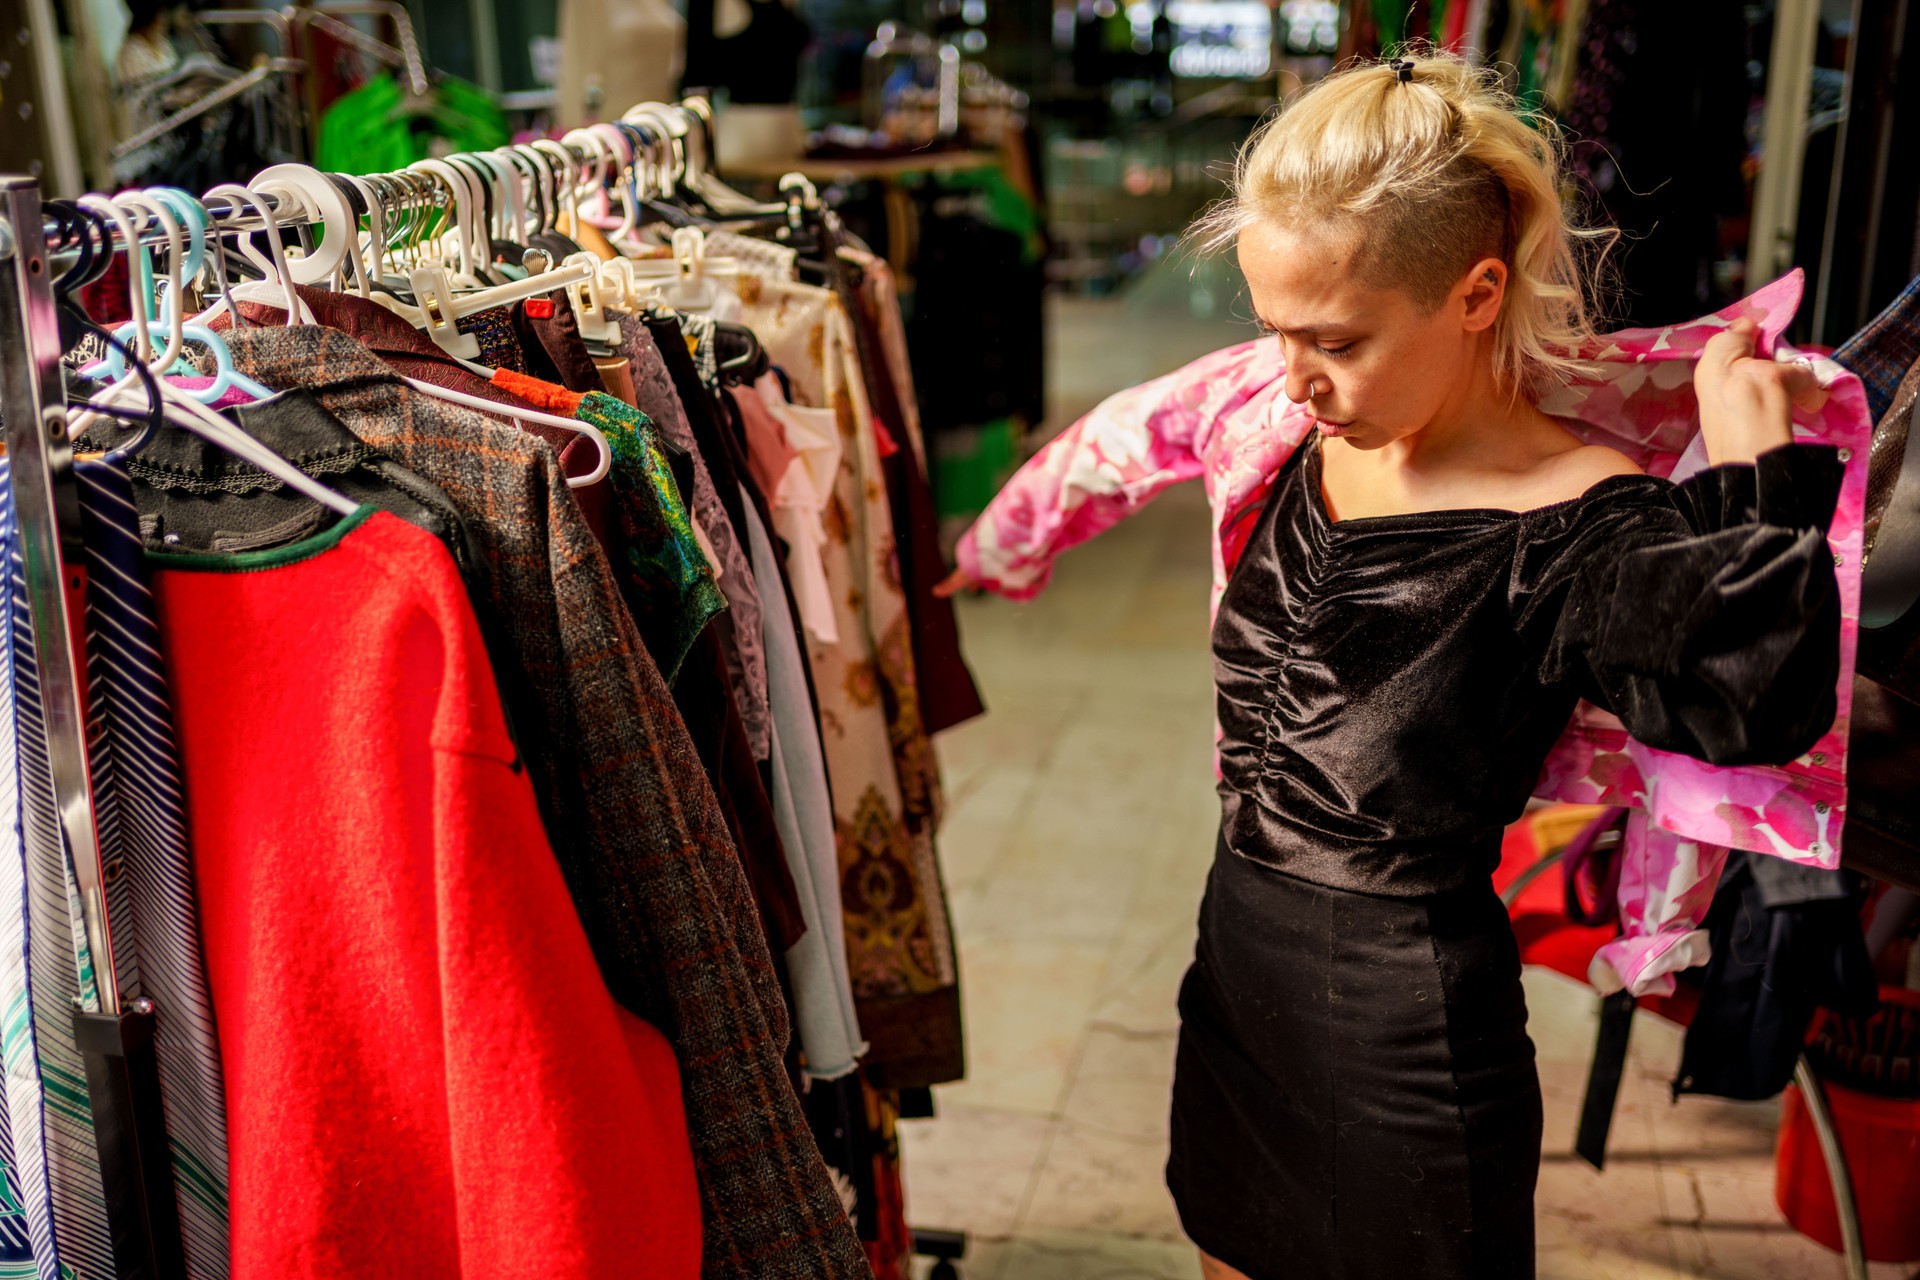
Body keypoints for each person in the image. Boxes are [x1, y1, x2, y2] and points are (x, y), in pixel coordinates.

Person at [938, 53, 1843, 1280]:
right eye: (1274, 329)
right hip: (1236, 991)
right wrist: (994, 548)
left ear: (1476, 294)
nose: (1296, 375)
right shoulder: (1290, 413)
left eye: (1338, 339)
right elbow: (1120, 437)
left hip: (1403, 1043)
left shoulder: (1578, 519)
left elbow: (1758, 691)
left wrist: (1753, 467)